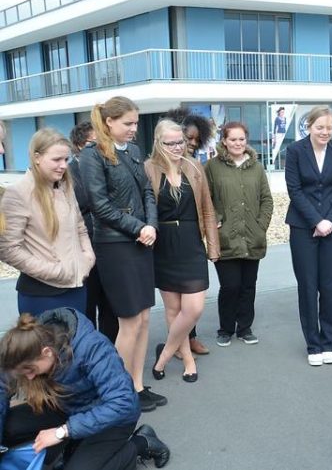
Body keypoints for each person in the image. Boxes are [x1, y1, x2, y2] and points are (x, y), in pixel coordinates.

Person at [79, 96, 166, 413]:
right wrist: (137, 227)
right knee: (129, 322)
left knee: (143, 319)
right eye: (128, 123)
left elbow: (147, 192)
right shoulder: (92, 156)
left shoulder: (133, 151)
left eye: (135, 123)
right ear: (108, 122)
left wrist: (151, 226)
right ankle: (117, 390)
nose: (134, 129)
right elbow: (99, 206)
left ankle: (137, 385)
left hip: (142, 241)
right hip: (115, 245)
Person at [0, 309, 170, 469]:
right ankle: (72, 447)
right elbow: (2, 386)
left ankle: (140, 443)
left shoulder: (92, 348)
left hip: (114, 417)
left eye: (31, 370)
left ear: (47, 352)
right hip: (65, 405)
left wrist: (62, 432)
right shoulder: (25, 345)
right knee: (7, 429)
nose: (29, 377)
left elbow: (122, 401)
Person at [145, 120, 220, 383]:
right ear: (158, 142)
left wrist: (213, 247)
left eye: (181, 142)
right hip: (163, 244)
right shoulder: (148, 169)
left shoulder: (194, 167)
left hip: (191, 241)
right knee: (173, 310)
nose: (178, 147)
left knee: (194, 308)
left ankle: (164, 354)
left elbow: (208, 209)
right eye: (171, 143)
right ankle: (187, 358)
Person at [0, 129, 94, 316]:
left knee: (75, 344)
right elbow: (8, 249)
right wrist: (54, 271)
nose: (63, 166)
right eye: (56, 160)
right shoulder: (18, 193)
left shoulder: (66, 186)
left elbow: (80, 228)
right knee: (47, 346)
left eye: (66, 160)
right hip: (42, 294)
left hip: (77, 287)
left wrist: (88, 258)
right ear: (37, 157)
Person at [285, 106, 332, 367]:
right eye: (319, 127)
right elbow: (295, 190)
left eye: (329, 127)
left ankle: (328, 342)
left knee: (329, 284)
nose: (325, 132)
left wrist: (329, 222)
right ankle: (313, 343)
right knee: (308, 286)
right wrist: (316, 221)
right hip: (303, 227)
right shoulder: (295, 151)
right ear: (309, 126)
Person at [205, 122, 273, 348]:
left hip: (252, 237)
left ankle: (245, 328)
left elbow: (266, 200)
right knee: (230, 286)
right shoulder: (212, 167)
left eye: (241, 139)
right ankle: (225, 328)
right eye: (233, 139)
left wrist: (260, 225)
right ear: (224, 140)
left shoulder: (256, 167)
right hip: (226, 238)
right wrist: (217, 221)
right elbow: (206, 200)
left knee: (248, 286)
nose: (238, 143)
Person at [162, 108, 217, 356]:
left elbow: (205, 203)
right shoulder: (158, 166)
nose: (192, 143)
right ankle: (179, 344)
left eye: (196, 140)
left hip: (192, 236)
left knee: (192, 300)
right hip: (168, 239)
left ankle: (184, 341)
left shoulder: (196, 166)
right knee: (176, 302)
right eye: (188, 138)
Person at [68, 121, 119, 343]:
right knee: (86, 308)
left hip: (109, 246)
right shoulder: (67, 174)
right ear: (80, 145)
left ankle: (111, 351)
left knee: (111, 306)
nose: (101, 146)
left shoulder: (110, 167)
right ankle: (87, 352)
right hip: (82, 250)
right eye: (94, 142)